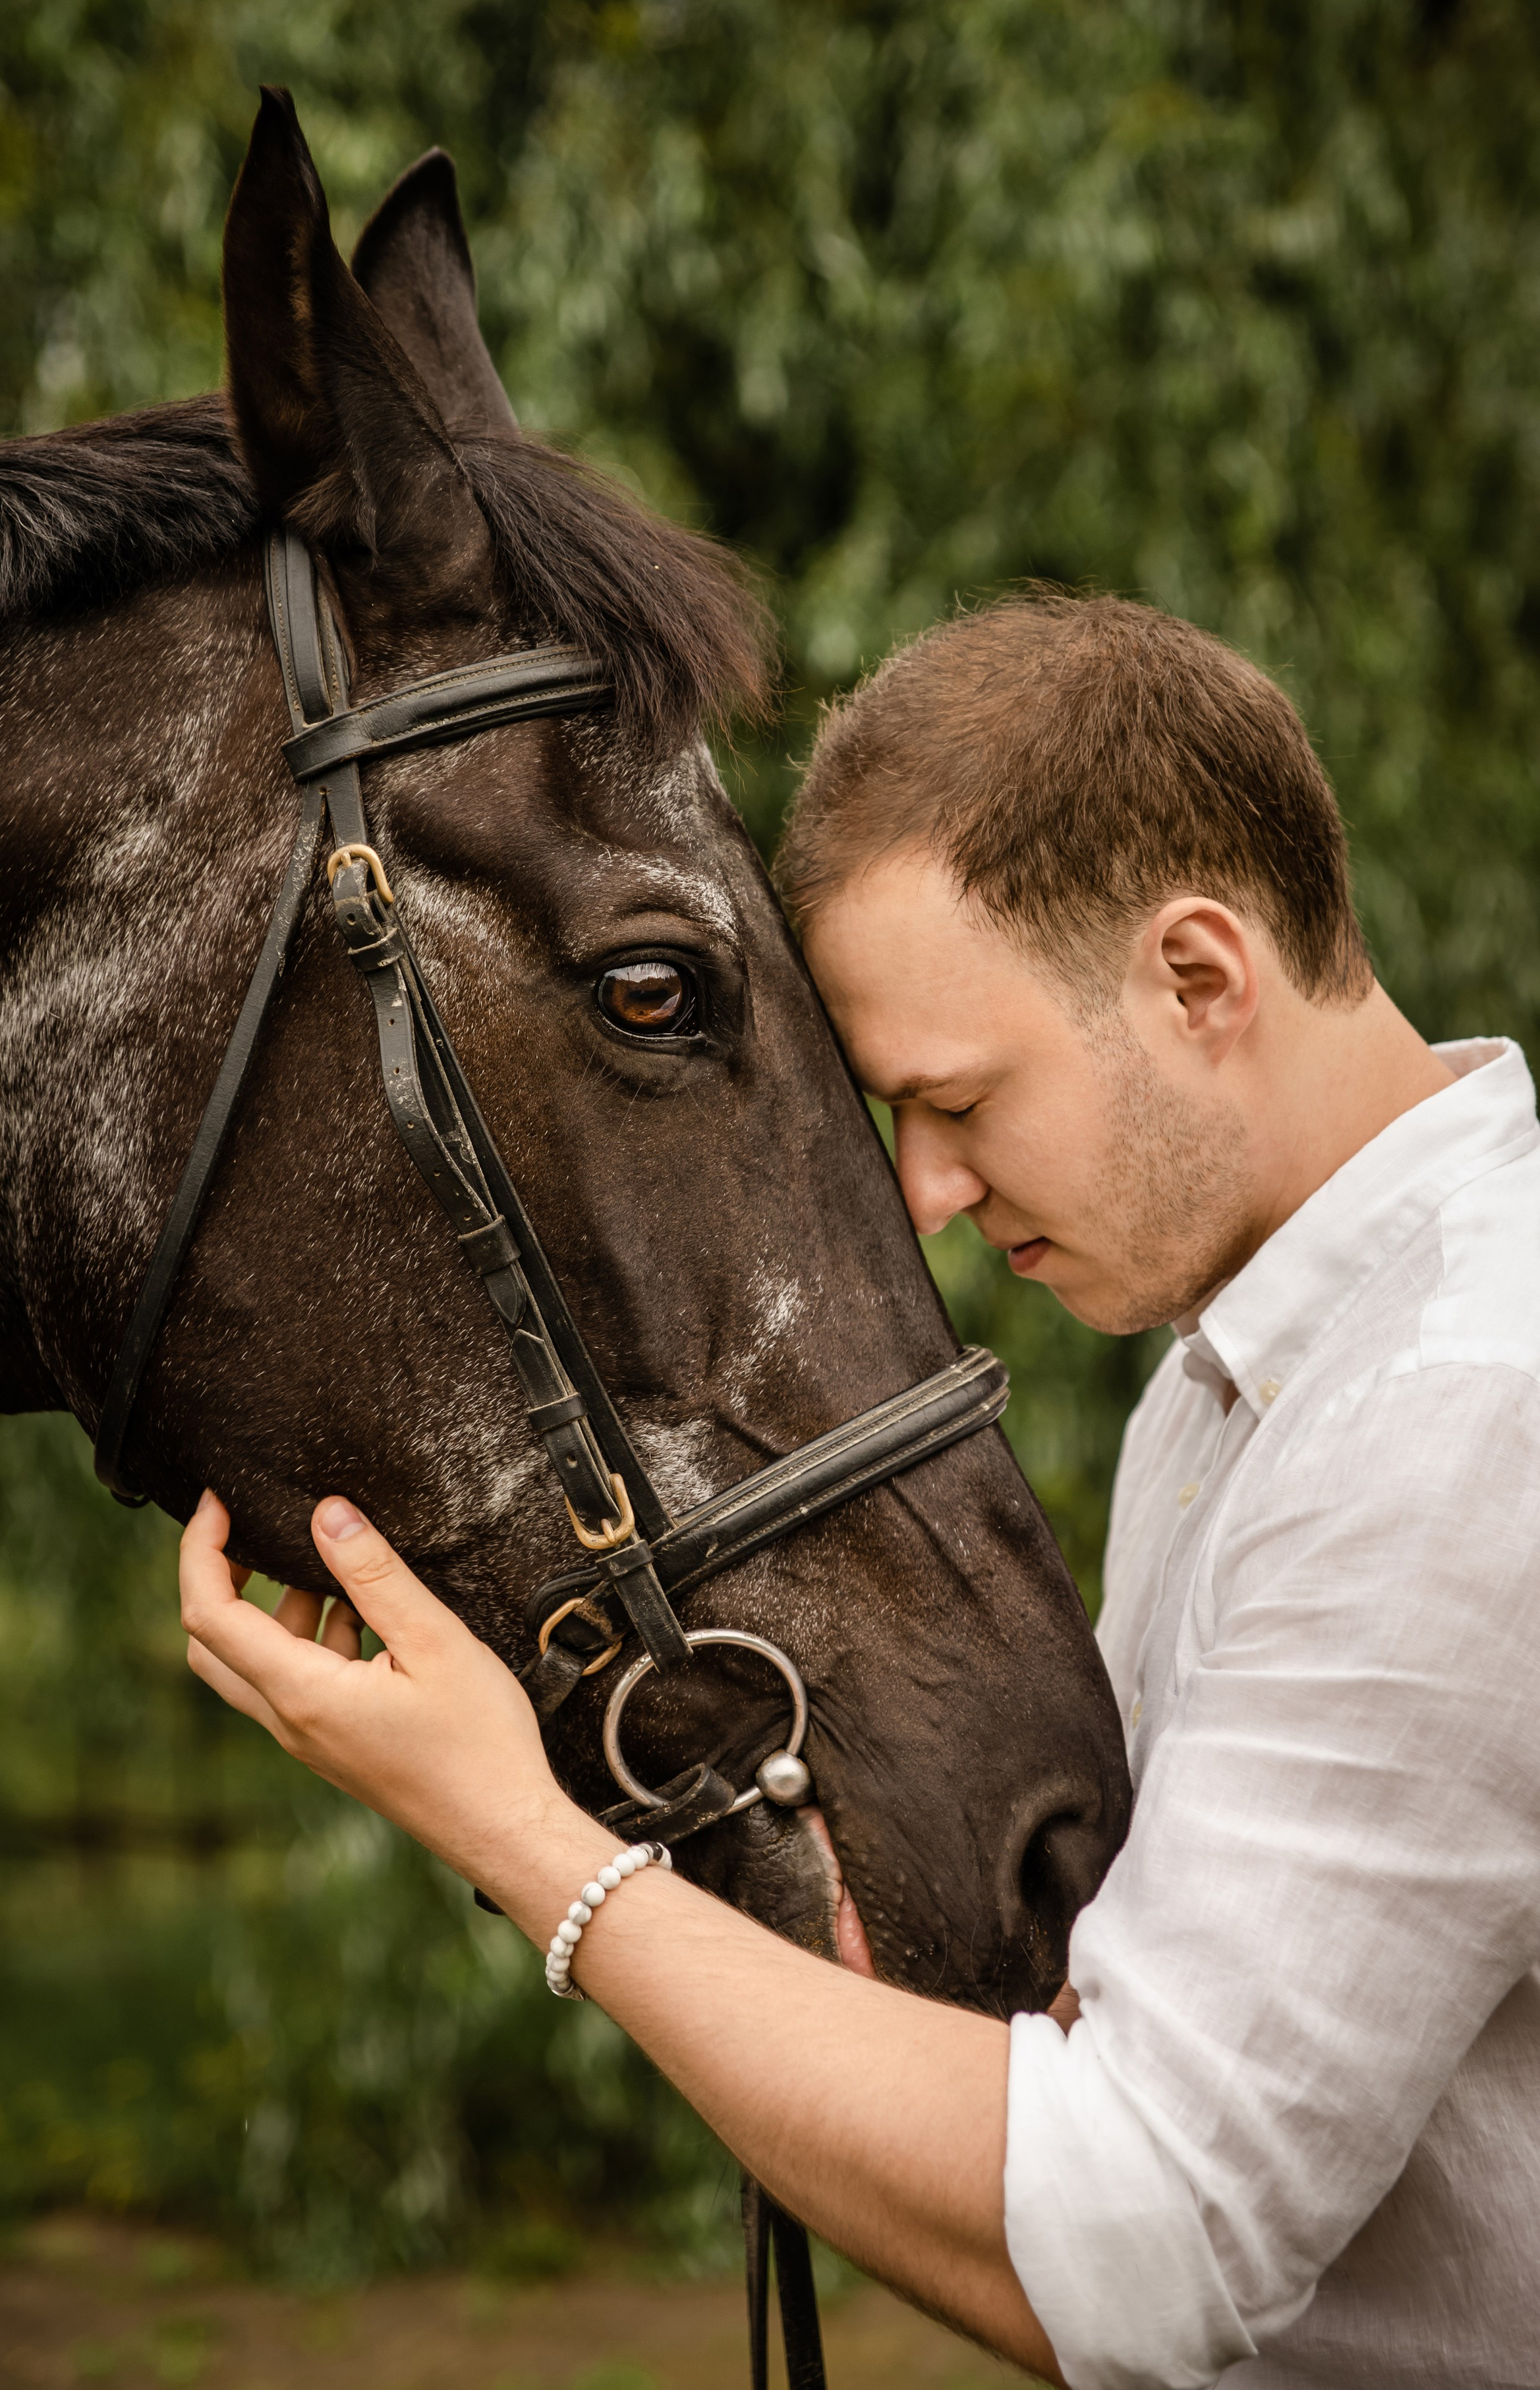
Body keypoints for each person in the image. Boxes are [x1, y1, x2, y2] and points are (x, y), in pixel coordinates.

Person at [180, 593, 1540, 2387]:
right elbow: (1110, 2052)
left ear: (1199, 978)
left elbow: (1142, 2246)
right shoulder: (1248, 1382)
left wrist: (520, 1836)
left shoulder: (1452, 1417)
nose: (929, 1194)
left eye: (958, 1100)